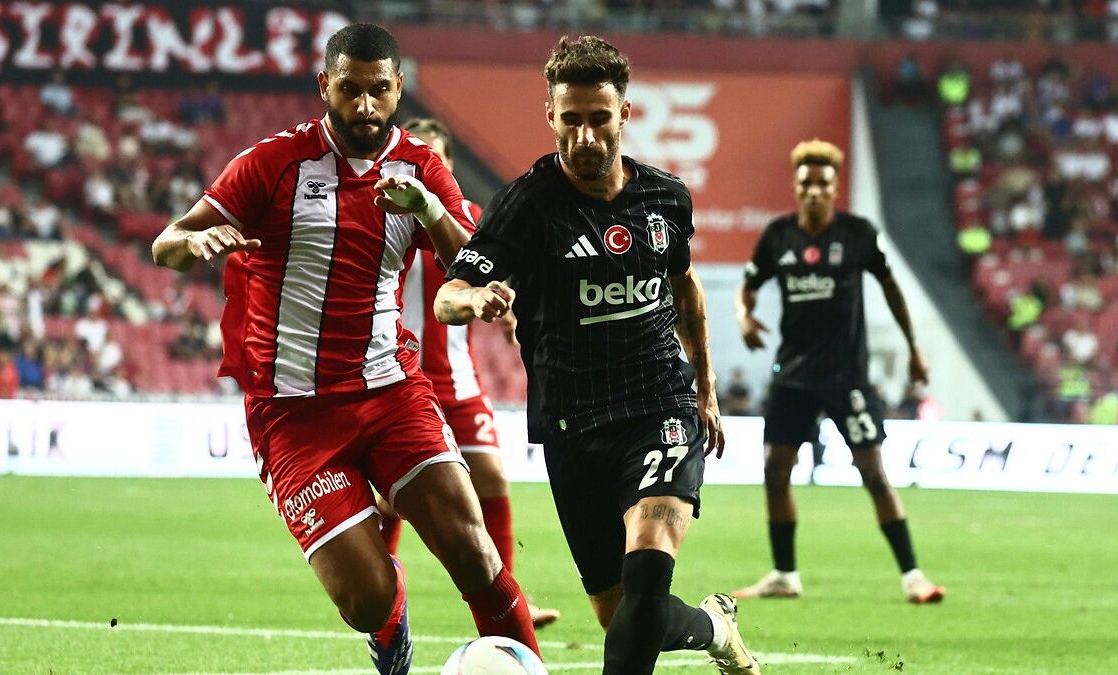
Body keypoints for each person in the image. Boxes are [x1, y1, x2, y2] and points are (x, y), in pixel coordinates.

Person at [151, 23, 540, 675]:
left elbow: (470, 262)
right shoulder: (272, 163)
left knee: (476, 555)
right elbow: (165, 242)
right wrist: (193, 243)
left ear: (398, 89)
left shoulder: (421, 167)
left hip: (391, 393)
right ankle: (389, 617)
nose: (364, 105)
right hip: (294, 415)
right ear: (324, 85)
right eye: (349, 90)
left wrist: (429, 209)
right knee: (365, 598)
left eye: (378, 90)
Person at [436, 36, 760, 675]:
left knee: (647, 573)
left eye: (599, 118)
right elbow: (450, 293)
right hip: (573, 424)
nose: (585, 136)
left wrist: (704, 388)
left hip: (658, 408)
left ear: (625, 115)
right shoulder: (527, 205)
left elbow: (685, 287)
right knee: (624, 616)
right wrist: (473, 299)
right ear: (551, 117)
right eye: (572, 119)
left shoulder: (666, 198)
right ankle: (715, 629)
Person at [733, 139, 945, 605]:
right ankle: (784, 574)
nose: (814, 191)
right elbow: (746, 288)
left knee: (873, 473)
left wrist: (914, 348)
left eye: (823, 184)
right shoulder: (777, 236)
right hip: (792, 376)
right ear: (795, 187)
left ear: (834, 188)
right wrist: (744, 317)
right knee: (775, 470)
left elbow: (891, 288)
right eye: (806, 183)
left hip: (847, 377)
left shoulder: (858, 234)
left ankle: (913, 576)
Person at [377, 116, 560, 628]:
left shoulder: (473, 222)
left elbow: (503, 277)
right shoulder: (383, 215)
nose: (425, 169)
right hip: (398, 373)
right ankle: (385, 604)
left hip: (458, 379)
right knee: (391, 500)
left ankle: (511, 598)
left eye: (436, 158)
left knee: (493, 478)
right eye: (416, 160)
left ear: (450, 166)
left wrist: (512, 312)